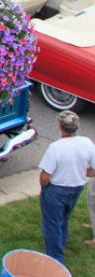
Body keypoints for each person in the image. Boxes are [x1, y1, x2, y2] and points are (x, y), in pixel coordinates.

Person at [37, 110, 95, 264]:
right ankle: (61, 243)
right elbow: (94, 169)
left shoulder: (56, 147)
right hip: (76, 189)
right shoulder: (87, 143)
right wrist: (82, 172)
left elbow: (45, 176)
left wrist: (44, 189)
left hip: (56, 190)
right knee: (63, 218)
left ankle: (55, 259)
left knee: (52, 224)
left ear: (60, 126)